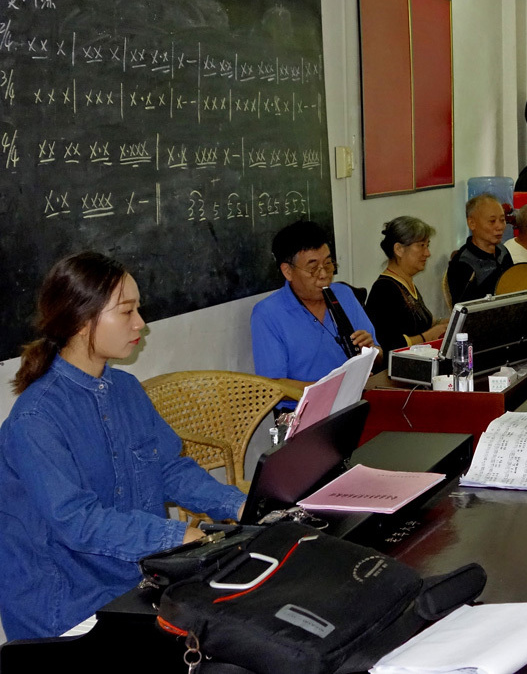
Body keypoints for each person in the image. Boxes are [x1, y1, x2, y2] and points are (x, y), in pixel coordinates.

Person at [0, 252, 246, 640]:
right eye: (127, 312)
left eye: (138, 309)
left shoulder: (126, 389)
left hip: (132, 579)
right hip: (68, 604)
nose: (141, 324)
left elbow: (169, 468)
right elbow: (77, 522)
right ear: (83, 320)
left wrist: (238, 504)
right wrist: (175, 536)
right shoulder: (36, 419)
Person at [251, 220, 377, 395]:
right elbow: (272, 385)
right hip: (304, 410)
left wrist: (369, 352)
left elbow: (378, 354)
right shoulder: (268, 314)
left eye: (328, 264)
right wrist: (332, 388)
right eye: (313, 268)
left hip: (354, 398)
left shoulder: (343, 294)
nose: (324, 275)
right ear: (288, 271)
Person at [365, 217, 448, 365]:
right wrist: (429, 336)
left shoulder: (406, 282)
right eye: (421, 246)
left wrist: (446, 322)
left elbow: (419, 320)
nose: (427, 253)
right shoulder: (384, 290)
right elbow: (389, 346)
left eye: (427, 245)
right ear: (399, 249)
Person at [446, 193, 513, 304]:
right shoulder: (463, 263)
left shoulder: (503, 251)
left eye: (502, 220)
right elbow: (465, 311)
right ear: (472, 223)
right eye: (492, 221)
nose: (500, 227)